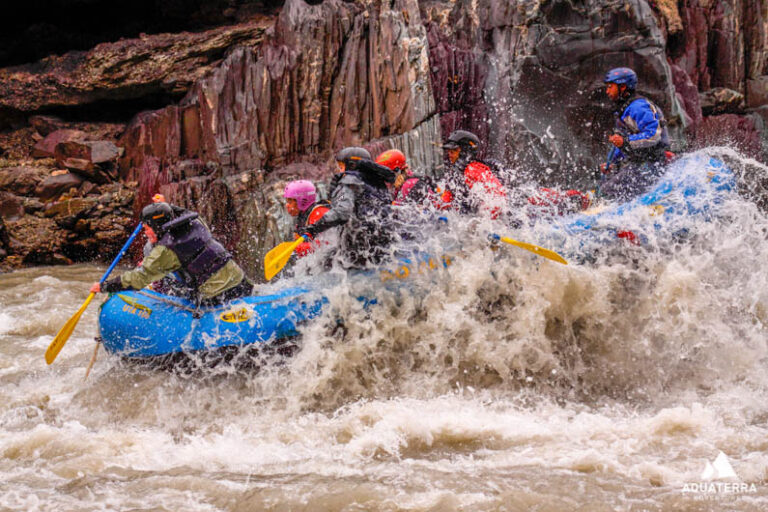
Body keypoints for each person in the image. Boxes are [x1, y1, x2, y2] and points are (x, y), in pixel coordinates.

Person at [90, 202, 253, 306]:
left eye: (146, 228)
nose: (145, 233)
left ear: (157, 227)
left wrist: (104, 286)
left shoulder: (165, 250)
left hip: (217, 295)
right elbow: (181, 211)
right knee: (171, 275)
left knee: (164, 279)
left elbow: (139, 278)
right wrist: (165, 206)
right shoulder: (195, 222)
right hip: (240, 283)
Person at [300, 147, 396, 268]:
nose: (340, 171)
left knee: (316, 266)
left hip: (360, 248)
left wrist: (313, 229)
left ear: (352, 165)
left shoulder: (350, 181)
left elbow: (342, 212)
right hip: (383, 244)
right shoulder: (377, 181)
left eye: (341, 167)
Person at [600, 67, 672, 201]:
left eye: (610, 87)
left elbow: (653, 135)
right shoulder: (624, 109)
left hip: (654, 162)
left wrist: (625, 141)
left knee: (608, 192)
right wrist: (612, 163)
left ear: (623, 87)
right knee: (606, 186)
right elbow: (622, 143)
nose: (607, 91)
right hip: (640, 162)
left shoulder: (638, 107)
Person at [440, 130, 507, 217]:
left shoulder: (473, 169)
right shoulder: (454, 176)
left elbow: (498, 196)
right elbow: (444, 203)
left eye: (454, 151)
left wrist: (481, 220)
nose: (449, 155)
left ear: (465, 152)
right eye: (449, 151)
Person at [283, 180, 329, 257]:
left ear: (301, 201)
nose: (287, 205)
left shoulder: (319, 213)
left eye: (290, 202)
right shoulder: (302, 218)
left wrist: (297, 248)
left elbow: (328, 244)